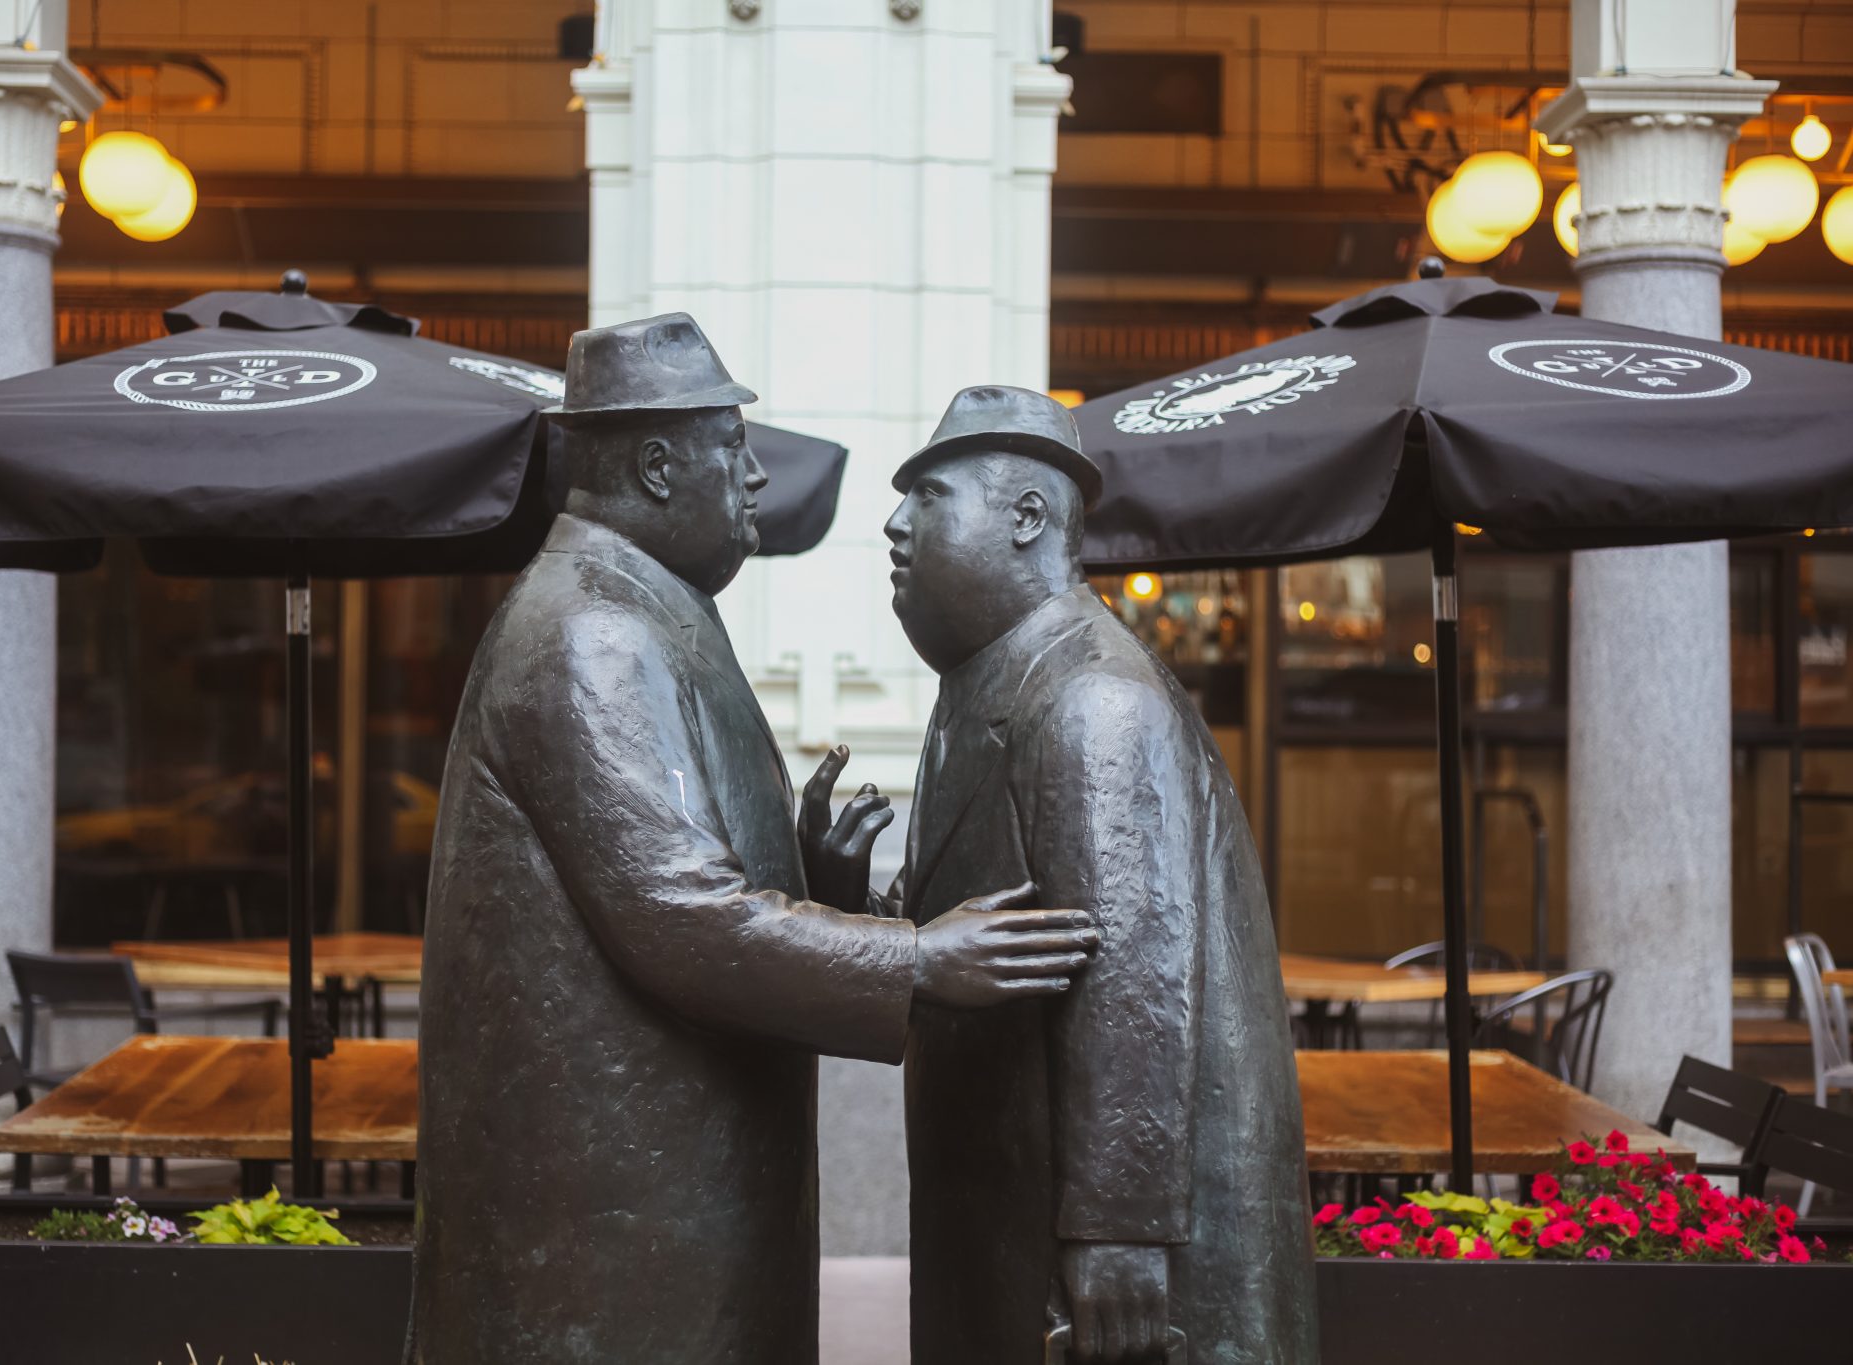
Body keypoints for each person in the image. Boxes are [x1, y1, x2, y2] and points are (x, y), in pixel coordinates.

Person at [407, 319, 1098, 1364]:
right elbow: (678, 916)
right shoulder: (591, 630)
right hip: (615, 1227)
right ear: (656, 466)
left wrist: (811, 880)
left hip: (676, 1200)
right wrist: (918, 958)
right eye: (733, 448)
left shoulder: (646, 606)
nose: (754, 477)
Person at [871, 385, 1319, 1365]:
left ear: (1026, 516)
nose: (895, 524)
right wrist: (857, 906)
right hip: (1008, 1197)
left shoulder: (1092, 699)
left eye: (930, 496)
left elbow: (1132, 976)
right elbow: (992, 927)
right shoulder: (988, 684)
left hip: (1094, 1252)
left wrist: (1118, 1225)